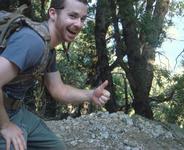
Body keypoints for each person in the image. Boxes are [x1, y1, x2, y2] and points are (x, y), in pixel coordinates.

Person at [0, 0, 110, 149]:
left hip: (16, 111)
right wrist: (5, 126)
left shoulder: (48, 48)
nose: (79, 24)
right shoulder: (33, 42)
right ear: (52, 13)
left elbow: (58, 90)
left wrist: (91, 95)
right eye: (72, 16)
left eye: (82, 19)